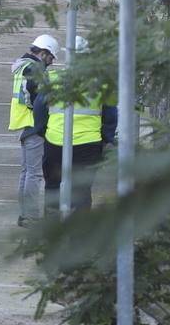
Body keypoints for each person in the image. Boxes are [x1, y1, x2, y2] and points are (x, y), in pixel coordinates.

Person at [36, 36, 117, 215]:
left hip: (56, 141)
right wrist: (106, 139)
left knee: (53, 187)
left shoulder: (53, 78)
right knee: (81, 191)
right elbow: (111, 115)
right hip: (88, 145)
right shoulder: (101, 83)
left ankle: (52, 233)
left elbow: (39, 111)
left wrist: (45, 132)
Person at [10, 33, 59, 228]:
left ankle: (25, 214)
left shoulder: (22, 65)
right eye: (51, 57)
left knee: (26, 172)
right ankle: (30, 216)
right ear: (44, 53)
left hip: (24, 122)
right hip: (34, 125)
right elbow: (39, 99)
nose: (51, 62)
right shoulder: (36, 70)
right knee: (34, 173)